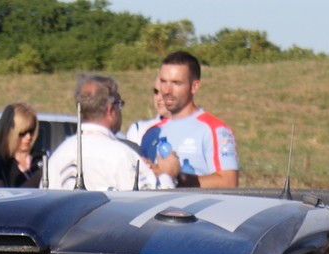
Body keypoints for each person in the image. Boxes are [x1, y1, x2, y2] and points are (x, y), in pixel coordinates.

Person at [47, 76, 171, 191]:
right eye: (119, 104)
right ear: (110, 109)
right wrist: (167, 174)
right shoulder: (121, 156)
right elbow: (152, 202)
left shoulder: (57, 156)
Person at [136, 51, 238, 189]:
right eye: (163, 82)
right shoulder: (152, 132)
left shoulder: (214, 129)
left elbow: (229, 182)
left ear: (194, 86)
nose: (167, 90)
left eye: (176, 83)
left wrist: (176, 178)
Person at [0, 102, 44, 188]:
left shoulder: (41, 158)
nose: (28, 137)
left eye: (31, 131)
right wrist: (37, 178)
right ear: (9, 132)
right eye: (22, 132)